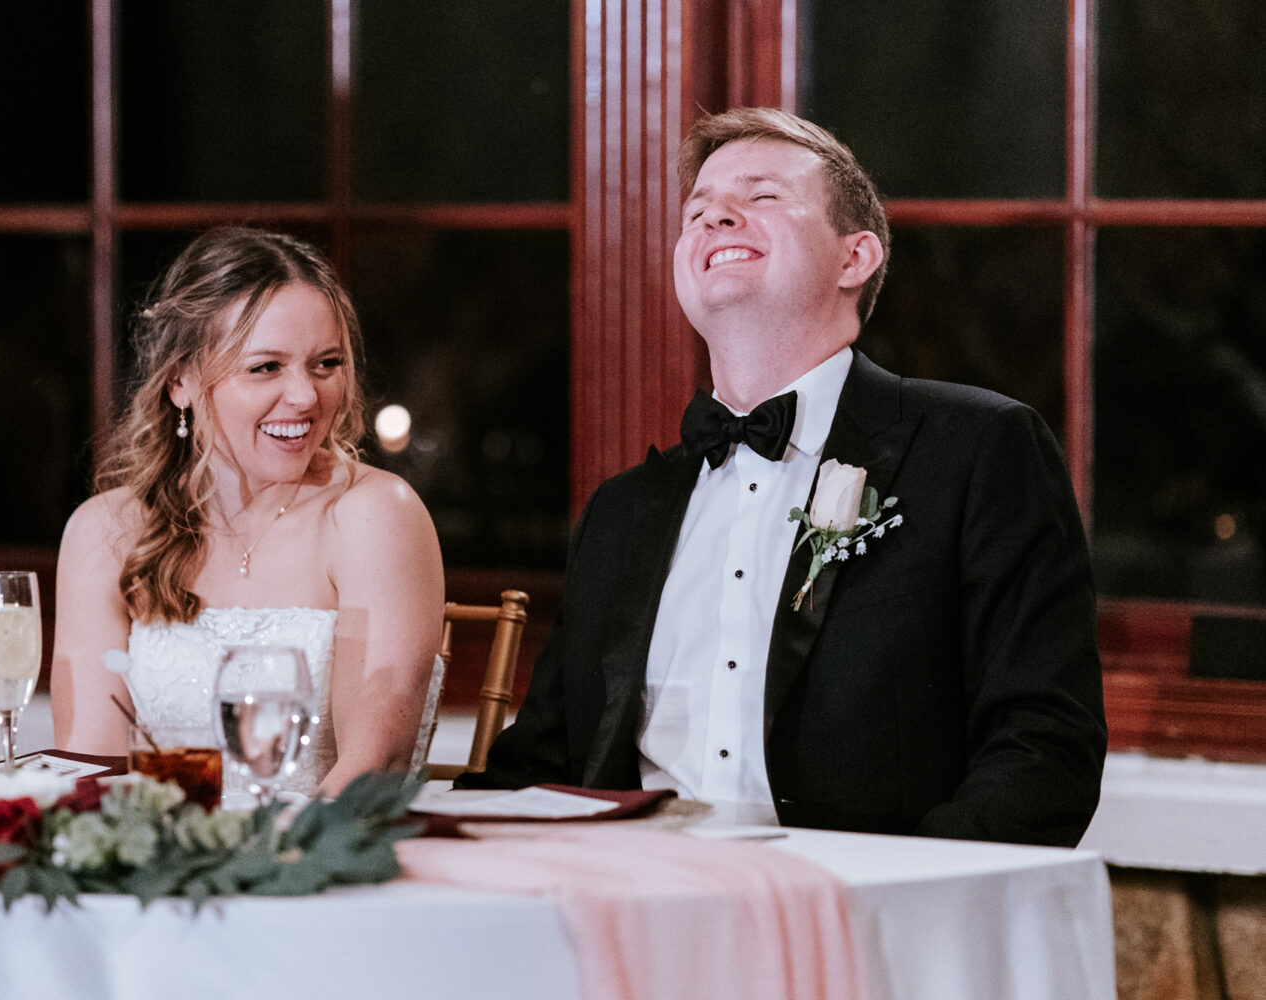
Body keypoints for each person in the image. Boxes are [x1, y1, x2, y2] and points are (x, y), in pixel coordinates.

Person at [460, 108, 1107, 847]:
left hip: (865, 921)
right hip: (635, 915)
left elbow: (1043, 746)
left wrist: (899, 897)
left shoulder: (977, 449)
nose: (716, 218)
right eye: (698, 211)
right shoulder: (622, 511)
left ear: (854, 258)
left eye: (762, 197)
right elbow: (543, 764)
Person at [51, 227, 444, 796]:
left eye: (326, 364)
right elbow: (94, 768)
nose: (306, 397)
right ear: (180, 381)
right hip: (165, 867)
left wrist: (272, 868)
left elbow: (374, 763)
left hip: (325, 860)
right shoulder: (106, 531)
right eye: (266, 367)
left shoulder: (373, 516)